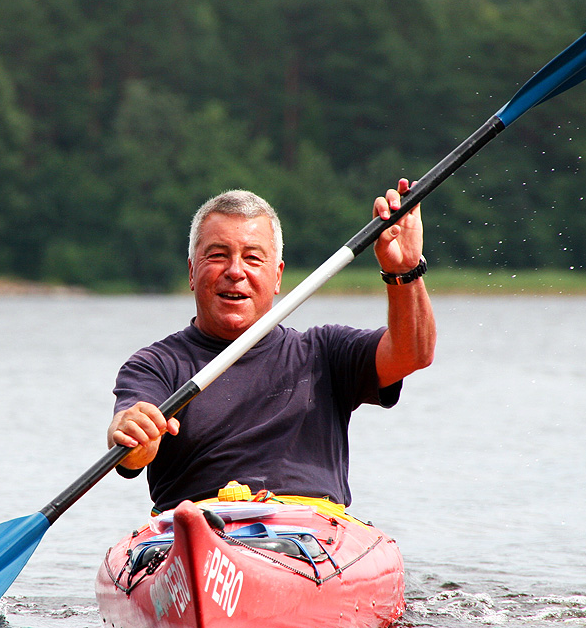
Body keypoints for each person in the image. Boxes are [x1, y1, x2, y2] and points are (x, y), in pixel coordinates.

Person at [107, 180, 436, 513]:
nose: (235, 271)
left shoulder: (325, 351)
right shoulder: (156, 365)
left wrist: (404, 270)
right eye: (218, 256)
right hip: (196, 534)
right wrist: (137, 436)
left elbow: (414, 353)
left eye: (252, 258)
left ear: (277, 277)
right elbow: (130, 447)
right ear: (192, 272)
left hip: (310, 538)